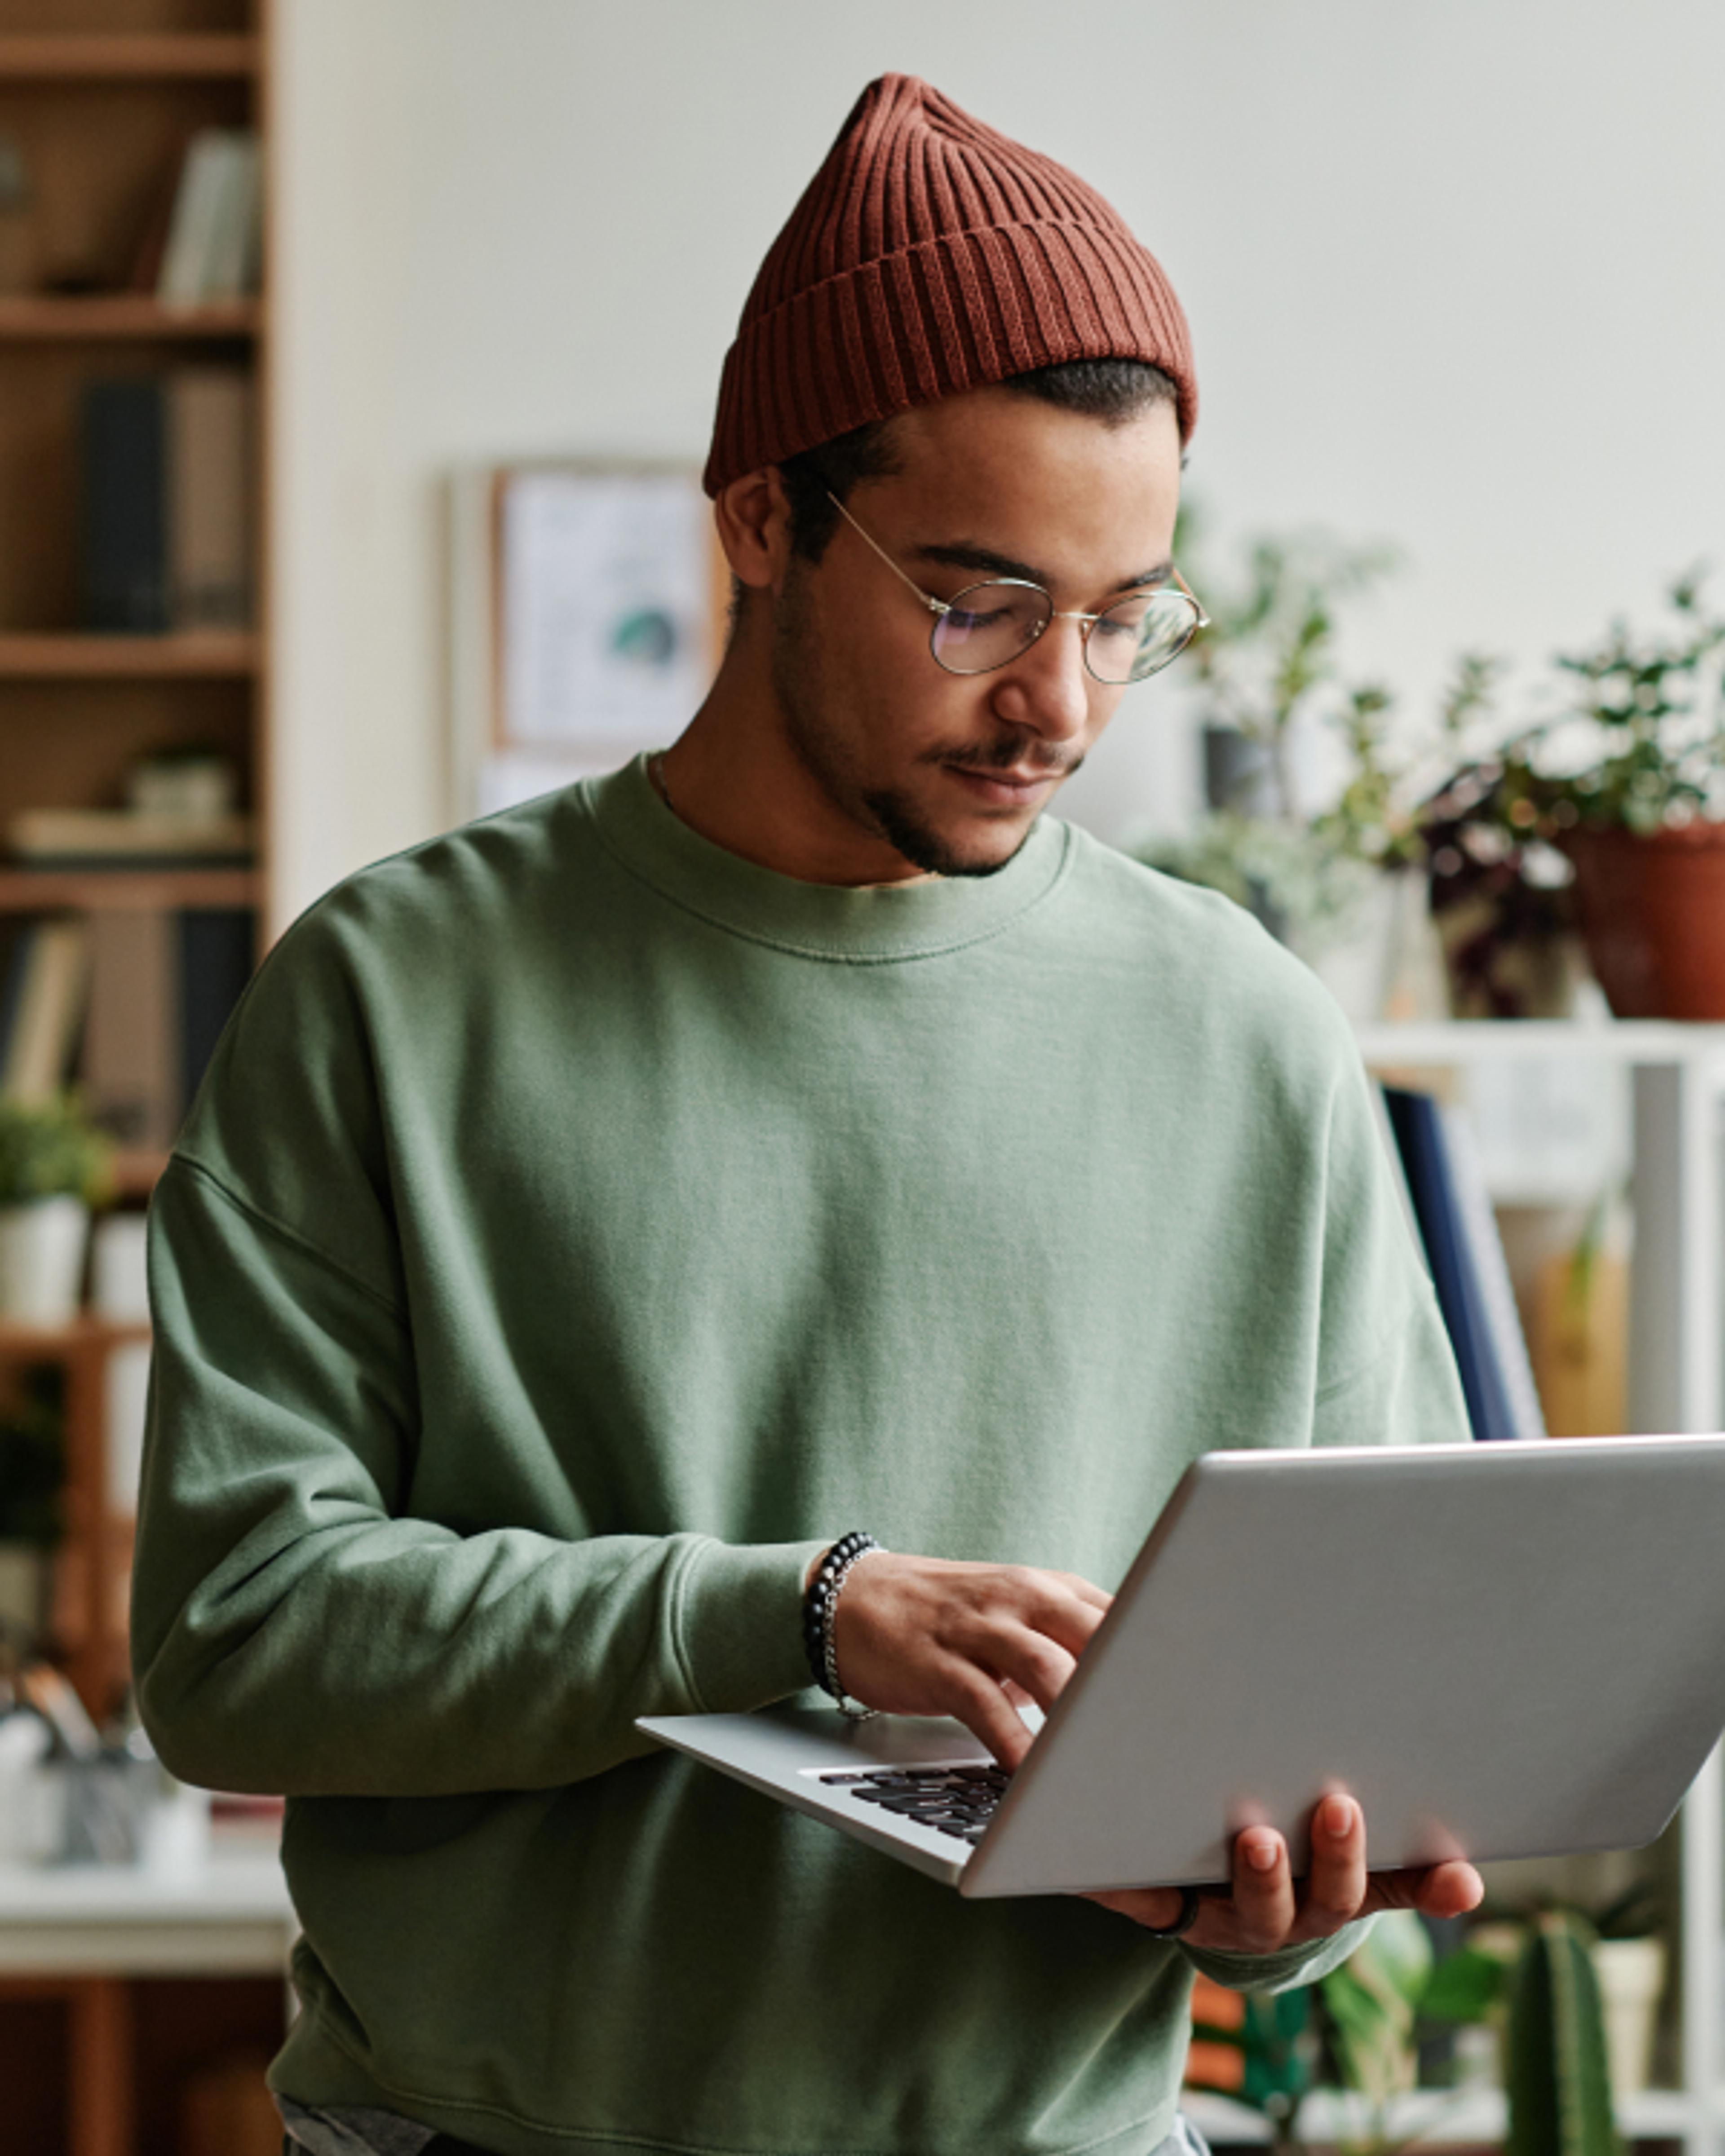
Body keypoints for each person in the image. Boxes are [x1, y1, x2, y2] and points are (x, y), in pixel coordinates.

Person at [131, 72, 1482, 2156]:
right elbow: (237, 1640)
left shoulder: (1252, 1039)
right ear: (761, 519)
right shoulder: (389, 997)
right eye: (981, 601)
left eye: (1127, 618)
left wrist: (1289, 1900)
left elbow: (1372, 1693)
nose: (1063, 705)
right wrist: (795, 1609)